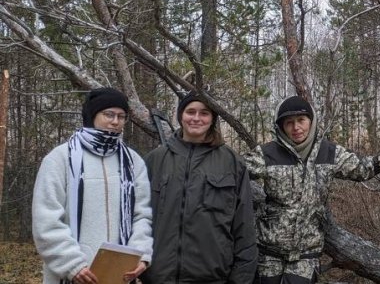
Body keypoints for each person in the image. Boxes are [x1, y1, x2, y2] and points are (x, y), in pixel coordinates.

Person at [245, 95, 380, 284]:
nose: (296, 128)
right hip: (268, 252)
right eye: (289, 123)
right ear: (281, 127)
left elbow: (363, 168)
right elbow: (234, 171)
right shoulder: (267, 153)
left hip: (306, 253)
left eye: (301, 120)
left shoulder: (329, 152)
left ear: (311, 121)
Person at [32, 87, 153, 284]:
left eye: (121, 116)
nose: (115, 121)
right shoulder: (60, 159)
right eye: (109, 114)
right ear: (92, 115)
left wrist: (140, 255)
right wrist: (72, 265)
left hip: (119, 274)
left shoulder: (133, 162)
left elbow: (142, 216)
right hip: (73, 274)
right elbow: (46, 220)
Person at [140, 91, 257, 284]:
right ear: (180, 116)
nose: (196, 118)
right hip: (158, 277)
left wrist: (241, 279)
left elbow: (244, 227)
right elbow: (138, 219)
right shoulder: (155, 160)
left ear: (212, 119)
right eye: (190, 111)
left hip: (212, 278)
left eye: (204, 113)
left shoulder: (231, 163)